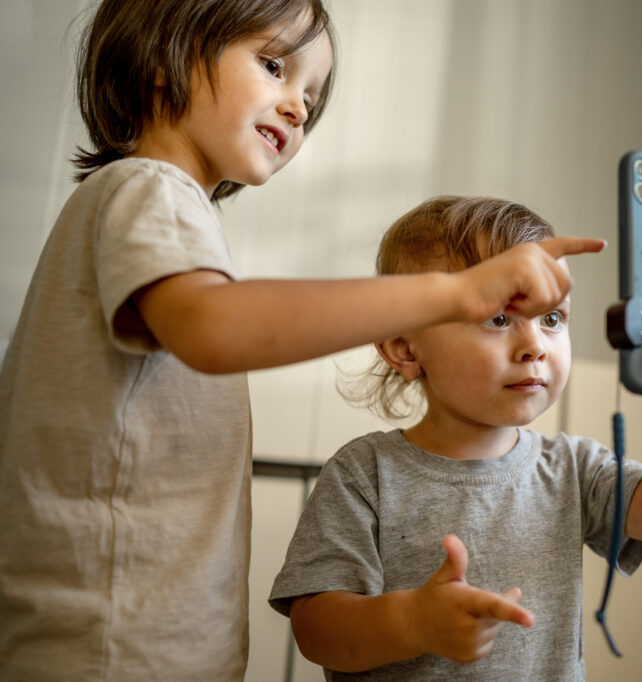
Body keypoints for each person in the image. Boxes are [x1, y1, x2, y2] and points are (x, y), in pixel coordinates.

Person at [0, 2, 604, 679]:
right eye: (273, 66)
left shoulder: (153, 208)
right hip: (111, 643)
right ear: (161, 57)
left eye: (310, 101)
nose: (297, 108)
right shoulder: (152, 189)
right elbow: (214, 327)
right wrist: (457, 294)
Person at [269, 195, 642, 680]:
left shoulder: (573, 469)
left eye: (552, 319)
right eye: (498, 318)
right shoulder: (364, 474)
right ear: (405, 347)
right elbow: (314, 630)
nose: (535, 345)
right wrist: (414, 622)